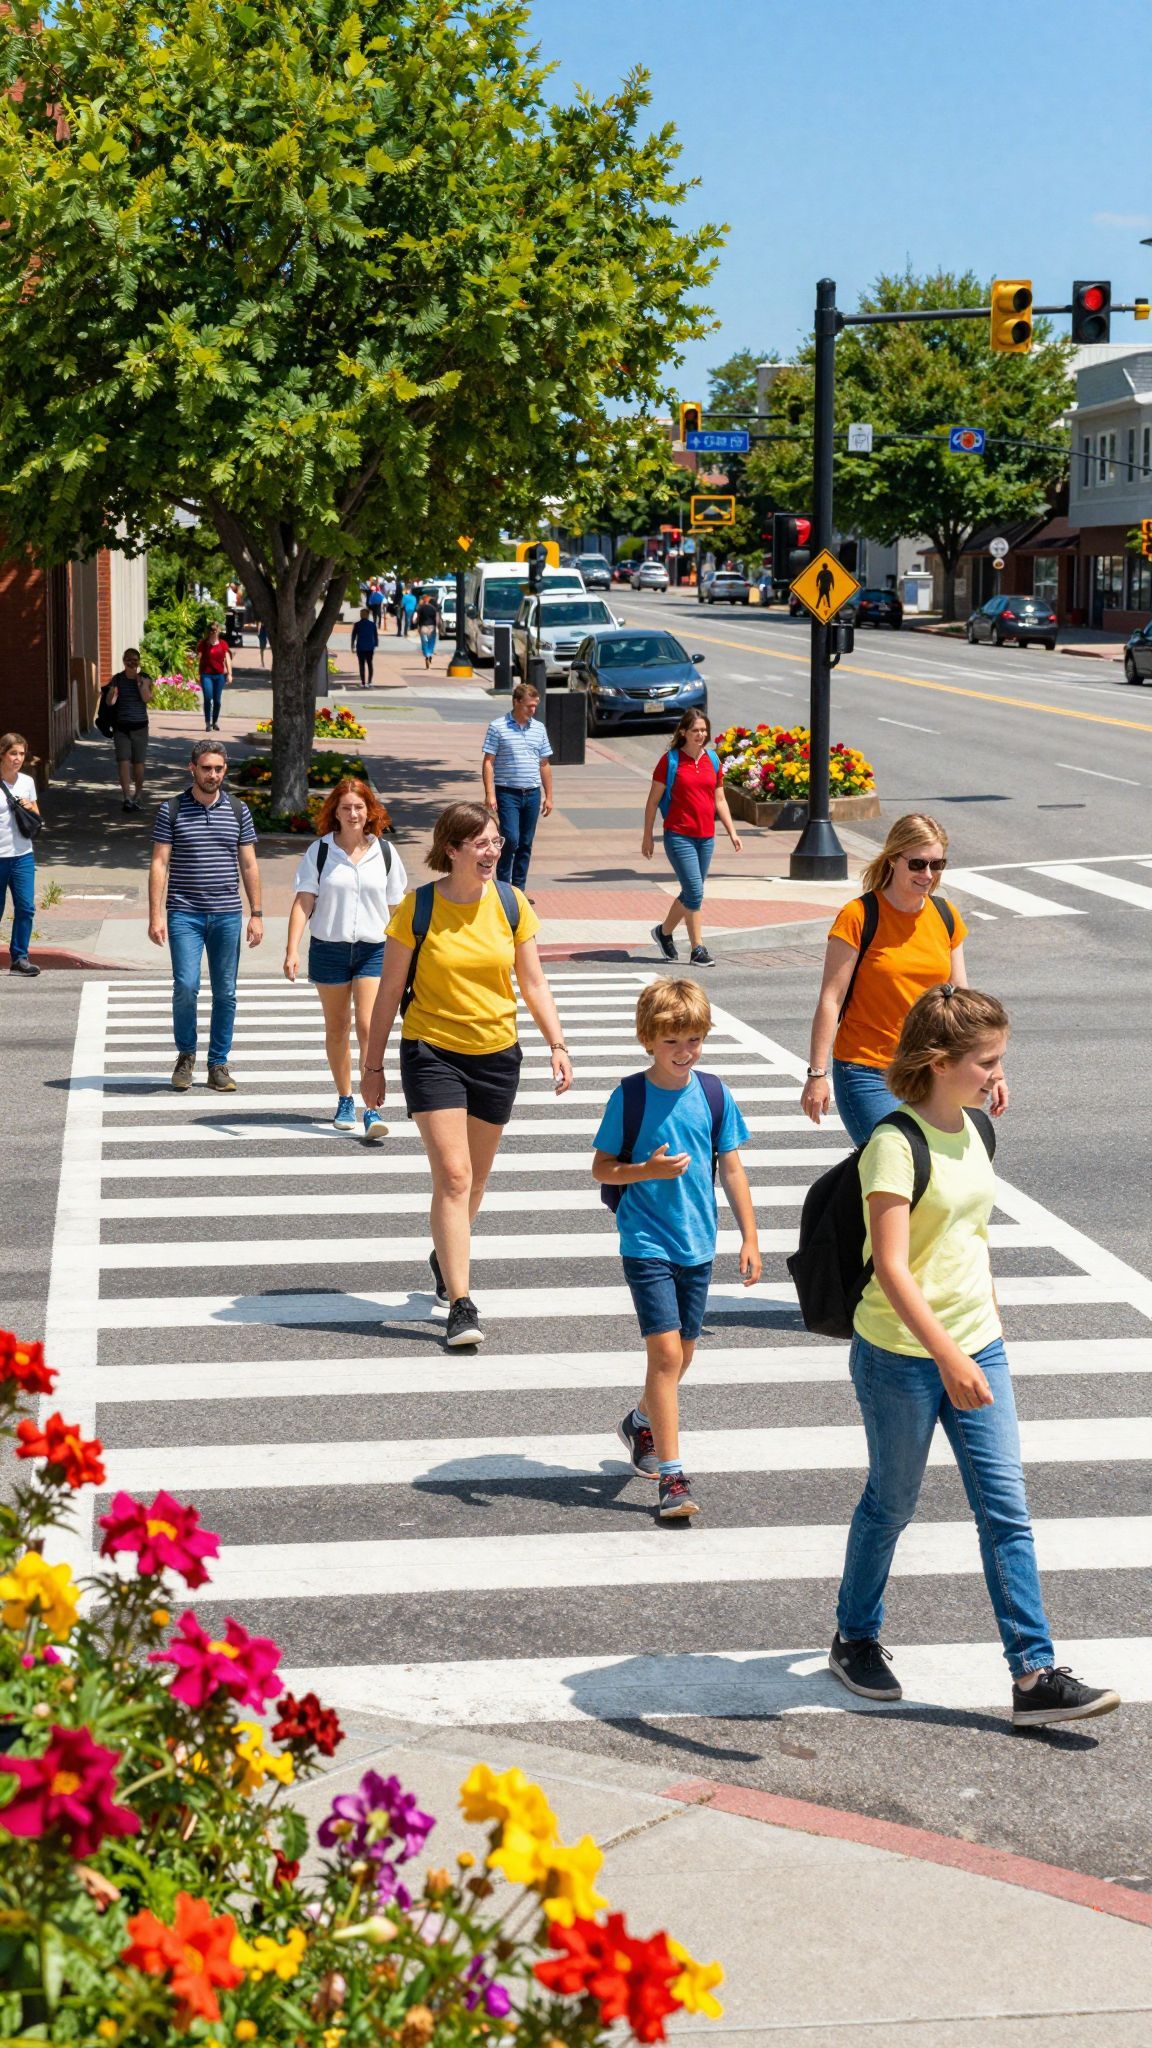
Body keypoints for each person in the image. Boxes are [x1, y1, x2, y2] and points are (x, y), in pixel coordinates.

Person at [829, 984, 1120, 1728]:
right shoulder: (893, 1144)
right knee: (891, 1503)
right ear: (938, 1062)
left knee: (1006, 1512)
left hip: (977, 1347)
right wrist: (948, 1358)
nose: (998, 1074)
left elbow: (971, 1235)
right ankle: (855, 1635)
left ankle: (1034, 1676)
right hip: (901, 1355)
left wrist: (986, 1325)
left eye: (999, 1060)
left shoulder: (975, 1131)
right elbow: (892, 1267)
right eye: (986, 1061)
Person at [361, 799, 573, 1350]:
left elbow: (534, 983)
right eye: (481, 843)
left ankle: (443, 1250)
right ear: (452, 849)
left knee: (475, 1182)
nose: (492, 852)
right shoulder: (418, 908)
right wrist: (372, 1064)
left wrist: (557, 1043)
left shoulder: (511, 904)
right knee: (453, 1178)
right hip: (433, 1051)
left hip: (498, 1053)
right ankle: (460, 1302)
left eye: (496, 842)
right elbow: (388, 991)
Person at [593, 979, 761, 1521]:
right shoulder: (631, 1096)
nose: (684, 1052)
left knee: (684, 1354)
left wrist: (750, 1236)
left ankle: (641, 1420)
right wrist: (647, 1171)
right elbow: (601, 1167)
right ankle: (672, 1477)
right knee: (665, 1356)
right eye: (672, 1042)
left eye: (693, 1039)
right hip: (645, 1241)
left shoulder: (714, 1093)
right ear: (648, 1040)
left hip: (698, 1243)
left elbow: (731, 1167)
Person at [800, 812, 1007, 1150]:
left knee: (930, 1169)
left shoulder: (945, 916)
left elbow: (964, 1007)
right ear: (893, 859)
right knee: (897, 1158)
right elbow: (830, 1000)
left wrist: (992, 1071)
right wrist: (817, 1075)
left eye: (937, 865)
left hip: (931, 1073)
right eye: (917, 864)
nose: (928, 875)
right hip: (868, 1072)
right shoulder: (859, 916)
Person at [284, 777, 407, 1136]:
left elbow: (397, 907)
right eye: (345, 808)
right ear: (334, 813)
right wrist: (292, 949)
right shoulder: (320, 851)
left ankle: (372, 1107)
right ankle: (344, 1097)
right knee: (338, 1027)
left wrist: (408, 953)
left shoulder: (384, 852)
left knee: (369, 1025)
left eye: (359, 807)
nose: (353, 813)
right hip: (329, 949)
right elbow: (304, 900)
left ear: (370, 811)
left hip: (374, 949)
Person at [148, 738, 263, 1092]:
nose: (213, 774)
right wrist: (156, 915)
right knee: (185, 985)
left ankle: (218, 1064)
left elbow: (248, 862)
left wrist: (256, 913)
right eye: (206, 768)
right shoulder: (172, 809)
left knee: (225, 992)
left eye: (218, 769)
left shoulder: (239, 810)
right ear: (192, 768)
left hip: (227, 914)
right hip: (184, 913)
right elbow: (159, 862)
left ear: (224, 770)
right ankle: (186, 1056)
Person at [642, 709, 742, 970]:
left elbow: (720, 799)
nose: (701, 735)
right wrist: (647, 837)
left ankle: (663, 933)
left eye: (704, 730)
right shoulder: (670, 761)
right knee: (696, 892)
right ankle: (698, 948)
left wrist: (732, 832)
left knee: (690, 892)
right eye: (695, 730)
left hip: (706, 837)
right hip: (678, 835)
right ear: (683, 732)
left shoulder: (712, 760)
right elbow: (652, 802)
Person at [481, 681, 554, 892]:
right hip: (507, 792)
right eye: (529, 706)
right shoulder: (498, 727)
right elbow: (488, 762)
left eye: (535, 706)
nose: (533, 710)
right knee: (510, 839)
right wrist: (490, 794)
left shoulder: (538, 729)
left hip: (531, 792)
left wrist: (549, 796)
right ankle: (504, 887)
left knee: (525, 842)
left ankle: (518, 890)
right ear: (516, 702)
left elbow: (545, 763)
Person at [0, 732, 41, 978]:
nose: (18, 759)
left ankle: (20, 958)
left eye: (22, 754)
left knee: (26, 907)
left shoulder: (26, 782)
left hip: (23, 854)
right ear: (2, 754)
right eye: (13, 753)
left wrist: (29, 806)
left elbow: (36, 816)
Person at [101, 647, 154, 812]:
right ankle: (127, 797)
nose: (132, 662)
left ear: (139, 662)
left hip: (139, 727)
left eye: (135, 659)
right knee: (123, 761)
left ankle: (138, 795)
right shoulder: (117, 679)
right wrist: (112, 694)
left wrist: (141, 685)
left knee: (138, 764)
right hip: (121, 727)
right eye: (129, 659)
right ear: (124, 661)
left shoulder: (145, 678)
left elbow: (147, 699)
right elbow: (110, 703)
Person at [196, 620, 233, 732]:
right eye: (211, 630)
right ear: (208, 631)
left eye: (215, 630)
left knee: (217, 701)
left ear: (218, 631)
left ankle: (215, 721)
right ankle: (208, 722)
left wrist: (230, 674)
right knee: (208, 698)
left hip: (219, 675)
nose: (213, 632)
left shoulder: (223, 644)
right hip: (206, 675)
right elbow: (198, 658)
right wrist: (195, 674)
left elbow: (227, 659)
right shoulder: (203, 644)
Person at [350, 607, 379, 689]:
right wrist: (376, 644)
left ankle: (363, 682)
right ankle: (369, 682)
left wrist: (352, 645)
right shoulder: (372, 624)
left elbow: (353, 636)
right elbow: (375, 635)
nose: (361, 615)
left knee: (362, 664)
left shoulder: (357, 624)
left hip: (361, 647)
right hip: (369, 647)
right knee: (369, 664)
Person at [415, 588, 441, 669]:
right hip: (431, 627)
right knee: (431, 642)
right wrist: (437, 626)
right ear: (429, 600)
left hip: (423, 626)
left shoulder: (421, 608)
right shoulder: (433, 608)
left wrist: (418, 626)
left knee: (424, 643)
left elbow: (418, 618)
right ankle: (429, 653)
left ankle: (426, 654)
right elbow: (437, 619)